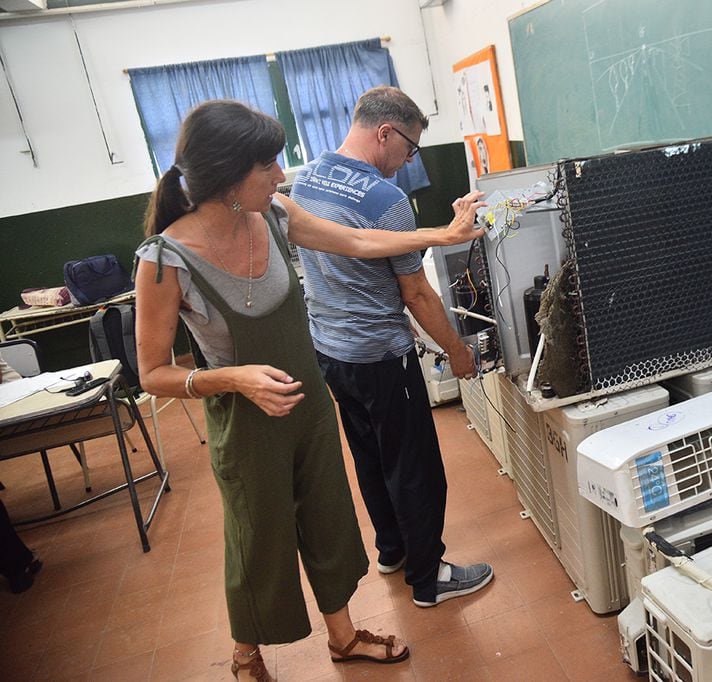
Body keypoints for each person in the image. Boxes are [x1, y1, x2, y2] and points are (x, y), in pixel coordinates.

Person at [133, 100, 484, 680]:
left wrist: (444, 233)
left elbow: (359, 241)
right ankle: (247, 655)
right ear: (227, 175)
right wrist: (232, 379)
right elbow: (152, 375)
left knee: (330, 521)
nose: (281, 174)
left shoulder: (273, 212)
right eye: (268, 164)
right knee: (259, 539)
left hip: (309, 407)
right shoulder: (165, 260)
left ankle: (343, 637)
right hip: (246, 424)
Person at [290, 85, 494, 609]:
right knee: (415, 468)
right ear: (385, 132)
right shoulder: (387, 200)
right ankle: (430, 579)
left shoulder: (305, 176)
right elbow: (418, 294)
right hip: (382, 355)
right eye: (409, 149)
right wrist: (457, 350)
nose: (407, 161)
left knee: (370, 456)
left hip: (331, 352)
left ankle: (393, 550)